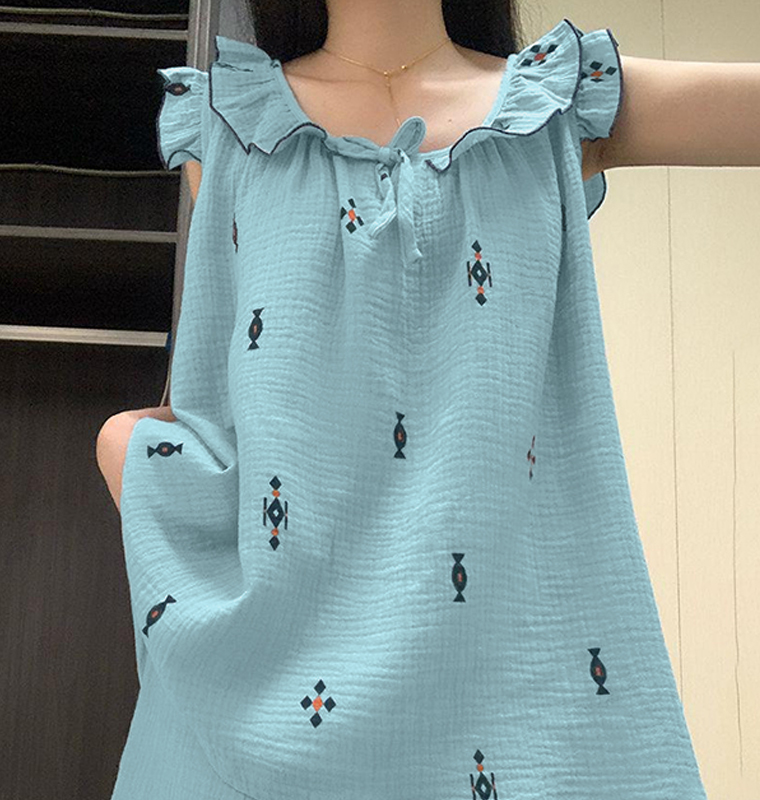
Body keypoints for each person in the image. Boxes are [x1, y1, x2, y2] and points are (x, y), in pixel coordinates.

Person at [98, 0, 740, 797]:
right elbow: (202, 407)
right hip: (263, 698)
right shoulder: (229, 125)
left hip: (522, 692)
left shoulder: (556, 104)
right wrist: (125, 450)